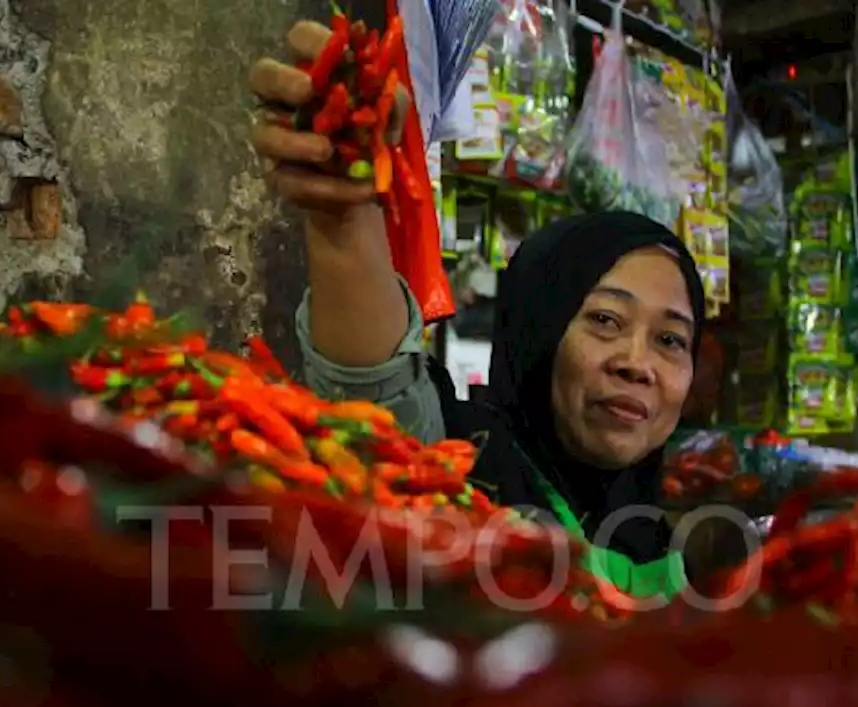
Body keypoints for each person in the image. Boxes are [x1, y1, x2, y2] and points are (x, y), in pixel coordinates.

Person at [250, 21, 705, 600]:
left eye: (671, 340)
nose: (637, 364)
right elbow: (372, 395)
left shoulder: (659, 539)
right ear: (538, 331)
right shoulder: (457, 464)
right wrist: (344, 210)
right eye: (605, 320)